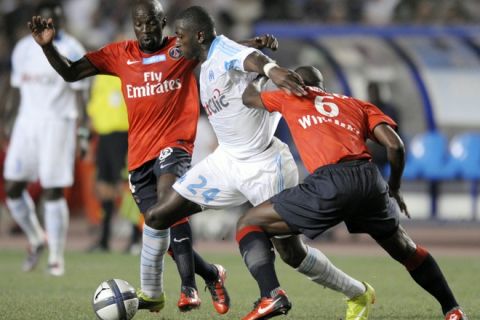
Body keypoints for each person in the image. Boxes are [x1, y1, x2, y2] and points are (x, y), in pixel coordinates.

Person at [28, 0, 278, 314]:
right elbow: (71, 72)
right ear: (133, 26)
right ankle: (212, 274)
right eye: (140, 24)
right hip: (139, 156)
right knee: (159, 223)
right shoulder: (119, 55)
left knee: (169, 199)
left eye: (152, 23)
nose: (146, 30)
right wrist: (48, 48)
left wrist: (254, 45)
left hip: (175, 144)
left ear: (163, 21)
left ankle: (188, 287)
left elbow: (215, 48)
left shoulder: (180, 48)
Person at [144, 6, 375, 320]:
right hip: (226, 161)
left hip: (265, 164)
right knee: (159, 215)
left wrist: (271, 70)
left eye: (181, 36)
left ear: (198, 35)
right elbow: (236, 53)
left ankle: (356, 293)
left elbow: (252, 60)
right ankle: (155, 292)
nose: (177, 42)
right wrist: (252, 44)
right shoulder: (213, 55)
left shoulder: (228, 51)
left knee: (291, 252)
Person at [238, 65, 469, 320]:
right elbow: (395, 145)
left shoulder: (290, 96)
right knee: (405, 248)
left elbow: (247, 98)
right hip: (369, 179)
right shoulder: (357, 104)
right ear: (323, 85)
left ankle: (270, 294)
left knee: (249, 222)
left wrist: (260, 73)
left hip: (330, 182)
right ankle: (453, 309)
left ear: (293, 83)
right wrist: (394, 187)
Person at [2, 0, 89, 277]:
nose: (54, 24)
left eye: (58, 19)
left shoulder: (73, 48)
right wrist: (7, 120)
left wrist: (83, 132)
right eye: (49, 20)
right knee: (13, 188)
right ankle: (37, 237)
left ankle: (56, 257)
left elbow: (81, 94)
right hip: (27, 123)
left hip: (58, 123)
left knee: (53, 190)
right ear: (38, 21)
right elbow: (16, 88)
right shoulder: (23, 49)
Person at [85, 74, 140, 253]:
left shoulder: (129, 70)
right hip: (104, 136)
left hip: (123, 134)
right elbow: (95, 105)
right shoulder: (100, 76)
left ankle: (136, 239)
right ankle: (104, 240)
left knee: (128, 187)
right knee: (104, 187)